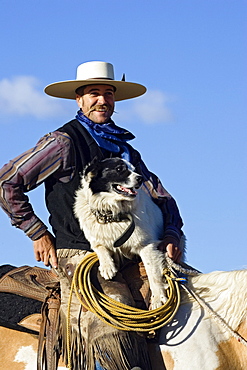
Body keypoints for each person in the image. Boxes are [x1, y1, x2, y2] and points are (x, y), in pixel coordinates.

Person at [0, 61, 184, 369]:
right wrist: (37, 232)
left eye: (108, 94)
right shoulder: (62, 143)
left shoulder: (125, 150)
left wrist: (171, 234)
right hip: (82, 254)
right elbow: (8, 182)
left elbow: (160, 195)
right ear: (79, 99)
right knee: (114, 333)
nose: (102, 100)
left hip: (133, 251)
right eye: (94, 93)